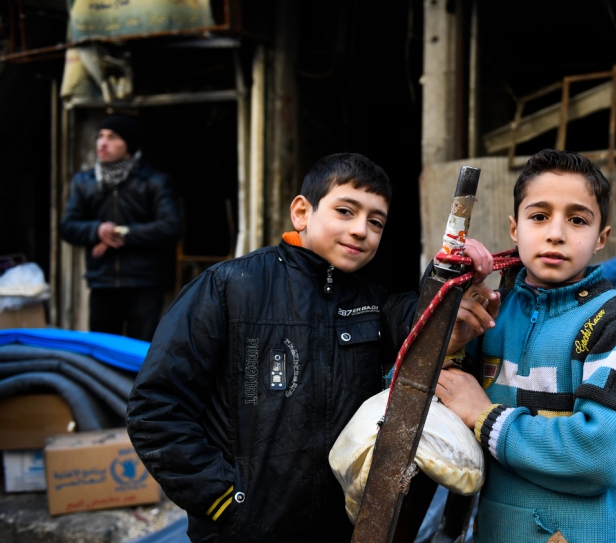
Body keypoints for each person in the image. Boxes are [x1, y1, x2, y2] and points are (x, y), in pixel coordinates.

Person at [126, 153, 498, 543]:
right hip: (243, 530)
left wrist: (452, 275)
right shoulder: (228, 288)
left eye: (376, 222)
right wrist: (225, 500)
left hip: (342, 530)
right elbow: (155, 410)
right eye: (345, 211)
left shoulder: (374, 301)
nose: (360, 230)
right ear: (302, 212)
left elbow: (421, 320)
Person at [435, 149, 616, 543]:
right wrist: (449, 339)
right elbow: (412, 405)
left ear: (601, 237)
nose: (556, 233)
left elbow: (600, 454)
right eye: (539, 216)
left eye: (577, 219)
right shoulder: (492, 315)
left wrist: (485, 416)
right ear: (515, 229)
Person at [59, 113, 181, 342]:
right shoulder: (84, 182)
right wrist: (97, 230)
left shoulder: (154, 181)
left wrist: (120, 233)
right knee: (102, 352)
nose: (102, 143)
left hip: (144, 281)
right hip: (102, 282)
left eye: (112, 137)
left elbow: (171, 226)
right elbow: (67, 227)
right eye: (100, 136)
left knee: (141, 353)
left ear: (128, 145)